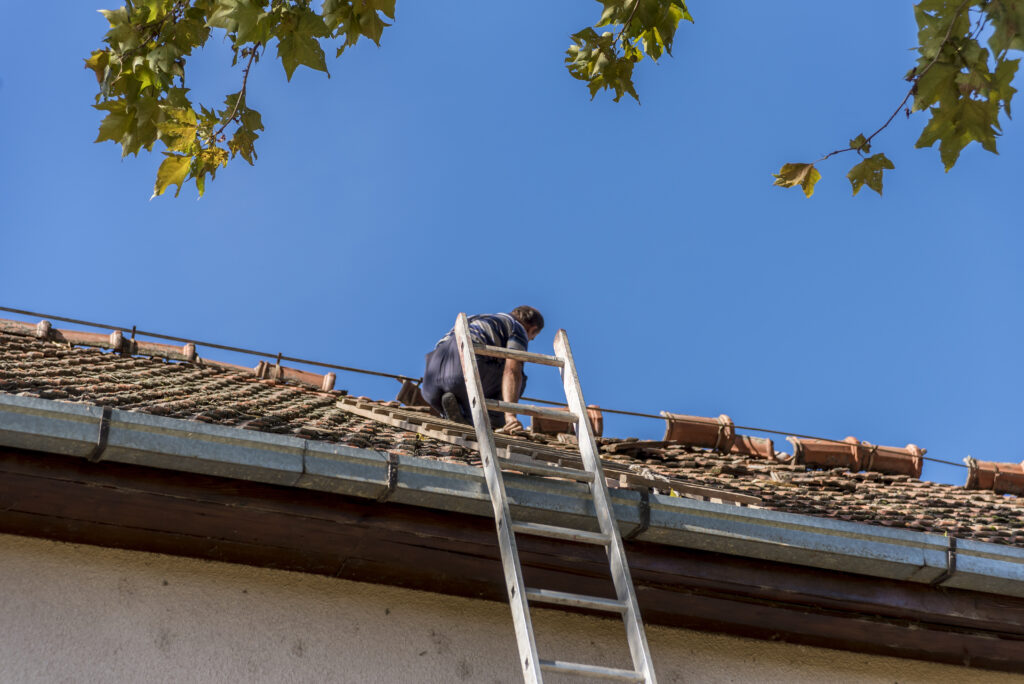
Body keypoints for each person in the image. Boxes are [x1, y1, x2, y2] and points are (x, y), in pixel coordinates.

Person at [421, 306, 544, 431]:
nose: (530, 339)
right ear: (532, 329)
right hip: (461, 373)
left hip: (430, 385)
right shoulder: (517, 327)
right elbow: (512, 370)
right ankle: (493, 422)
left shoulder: (477, 318)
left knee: (481, 366)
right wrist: (510, 415)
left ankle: (459, 412)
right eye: (533, 337)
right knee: (520, 377)